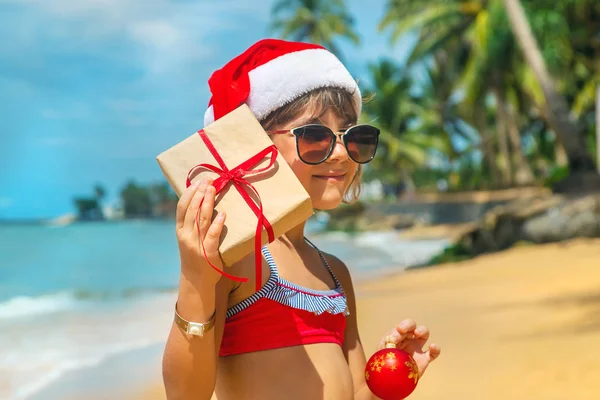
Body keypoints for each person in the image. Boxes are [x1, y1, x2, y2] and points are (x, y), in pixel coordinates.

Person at [162, 38, 441, 400]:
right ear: (253, 146)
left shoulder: (334, 272)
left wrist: (389, 380)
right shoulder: (239, 258)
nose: (340, 153)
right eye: (315, 136)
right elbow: (185, 394)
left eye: (354, 137)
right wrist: (196, 279)